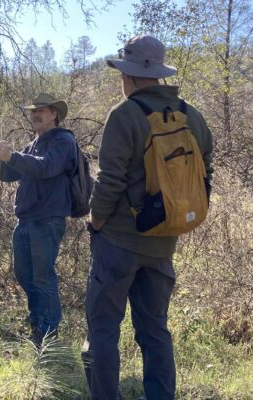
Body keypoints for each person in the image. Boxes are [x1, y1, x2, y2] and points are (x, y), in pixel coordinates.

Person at [82, 35, 214, 399]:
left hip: (118, 243)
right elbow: (206, 176)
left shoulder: (124, 115)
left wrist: (95, 221)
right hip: (163, 243)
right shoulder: (193, 116)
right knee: (155, 330)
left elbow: (109, 181)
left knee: (103, 330)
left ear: (132, 76)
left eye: (122, 74)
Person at [0, 93, 78, 345]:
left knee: (43, 276)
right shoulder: (33, 144)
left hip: (47, 220)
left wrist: (12, 156)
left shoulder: (63, 141)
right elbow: (9, 174)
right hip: (25, 220)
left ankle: (48, 333)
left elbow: (46, 167)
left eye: (40, 111)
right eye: (33, 111)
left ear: (54, 114)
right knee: (24, 274)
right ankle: (37, 320)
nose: (34, 115)